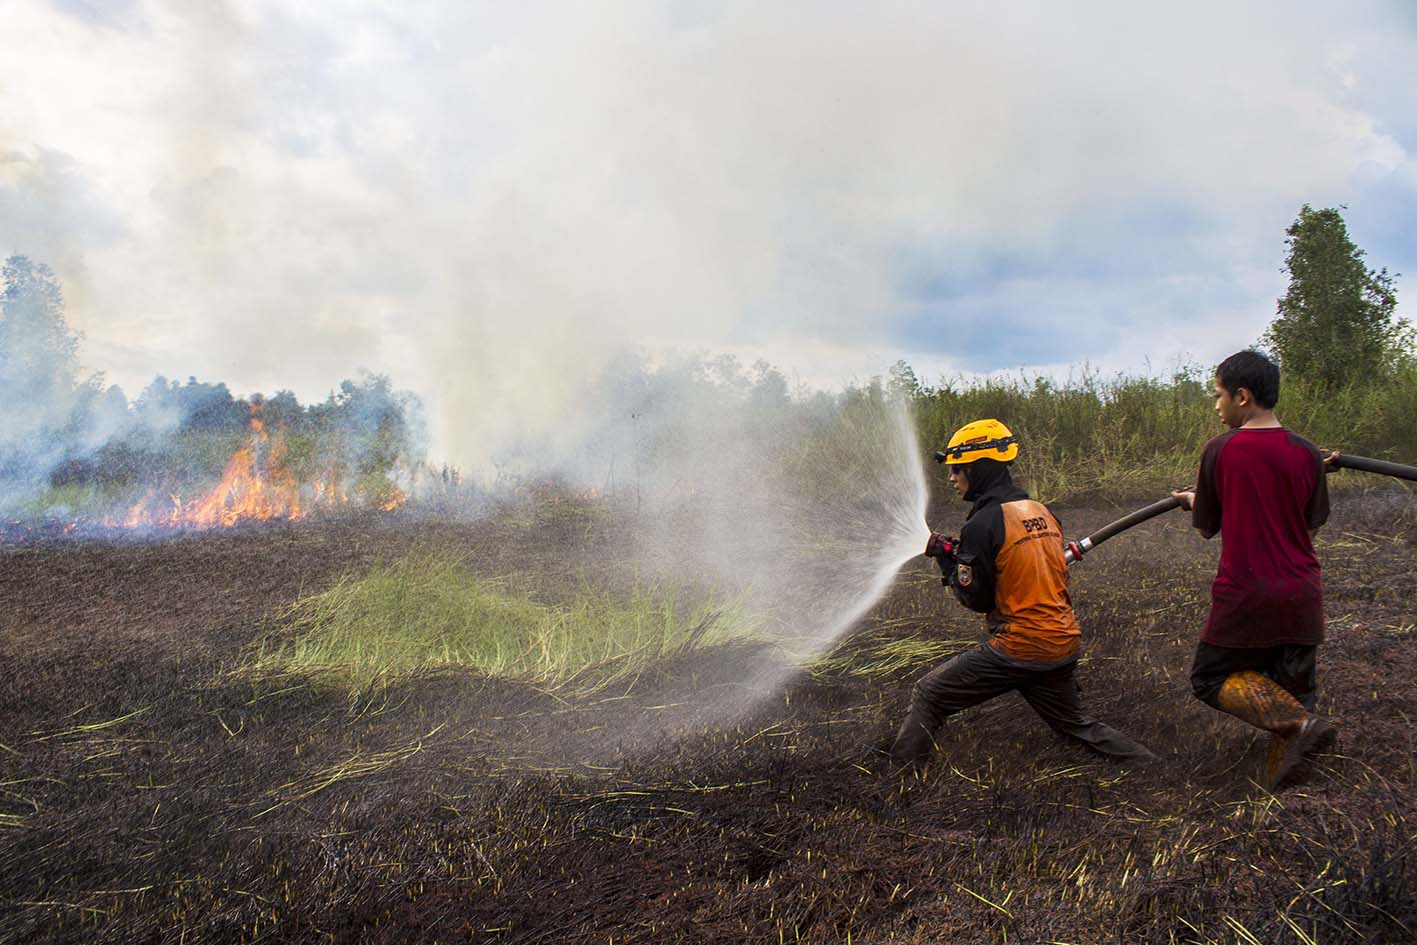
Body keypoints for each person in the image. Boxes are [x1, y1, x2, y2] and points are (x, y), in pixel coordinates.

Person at [889, 418, 1156, 772]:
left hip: (1021, 647)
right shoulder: (1041, 512)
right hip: (1060, 640)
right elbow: (1015, 571)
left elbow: (977, 600)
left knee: (930, 693)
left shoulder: (981, 524)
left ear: (977, 468)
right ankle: (1152, 765)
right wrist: (958, 554)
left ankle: (899, 778)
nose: (952, 477)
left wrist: (943, 558)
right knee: (1075, 725)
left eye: (957, 468)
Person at [1171, 349, 1336, 790]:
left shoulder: (1221, 450)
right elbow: (1310, 521)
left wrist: (1193, 500)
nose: (1216, 404)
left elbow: (1207, 525)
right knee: (1294, 690)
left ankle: (1302, 728)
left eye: (1219, 394)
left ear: (1242, 396)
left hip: (1247, 594)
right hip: (1302, 591)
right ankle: (1290, 795)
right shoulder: (1305, 454)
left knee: (1210, 678)